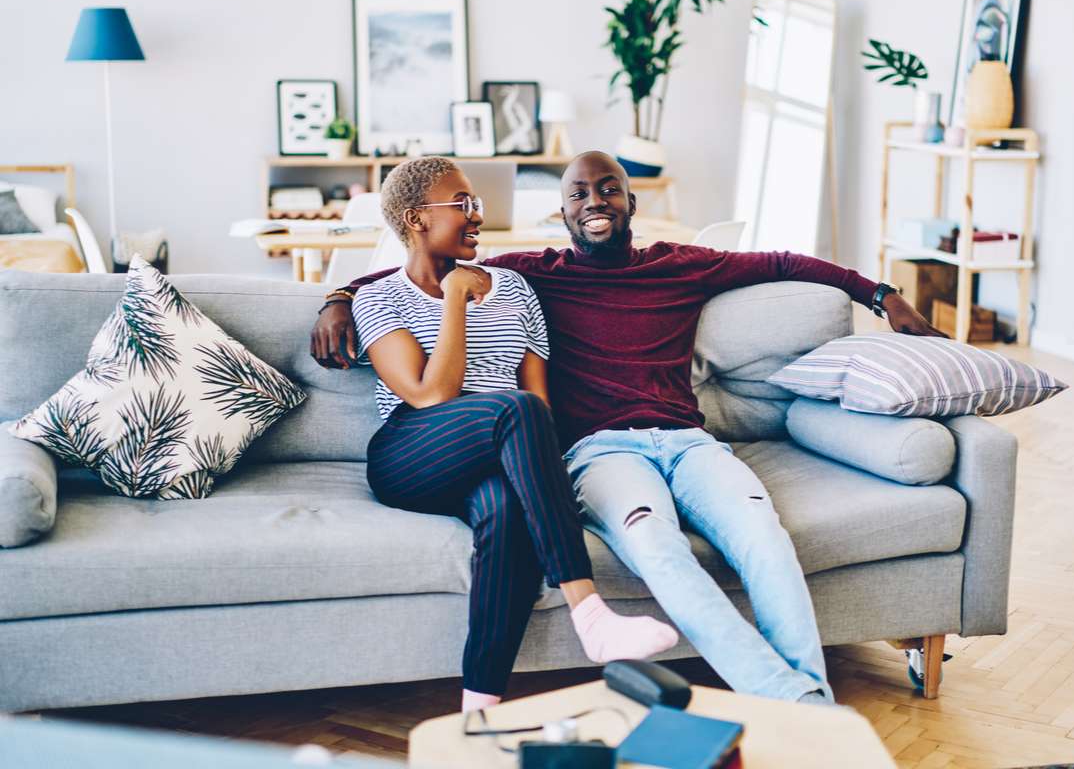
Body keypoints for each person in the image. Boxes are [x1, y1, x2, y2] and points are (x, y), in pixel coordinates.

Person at [312, 151, 945, 705]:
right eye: (579, 194)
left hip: (687, 444)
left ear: (631, 199)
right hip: (591, 454)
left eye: (608, 188)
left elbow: (782, 260)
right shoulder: (536, 271)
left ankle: (805, 703)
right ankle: (627, 626)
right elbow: (418, 287)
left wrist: (882, 295)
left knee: (762, 538)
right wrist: (335, 296)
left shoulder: (659, 268)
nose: (595, 201)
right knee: (654, 550)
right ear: (561, 215)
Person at [347, 157, 678, 713]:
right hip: (414, 452)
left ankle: (479, 708)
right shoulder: (377, 298)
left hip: (504, 446)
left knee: (505, 514)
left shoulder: (516, 287)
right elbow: (431, 396)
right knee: (515, 409)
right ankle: (589, 612)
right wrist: (454, 299)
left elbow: (540, 402)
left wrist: (533, 475)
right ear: (416, 218)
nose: (478, 215)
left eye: (476, 202)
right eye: (462, 205)